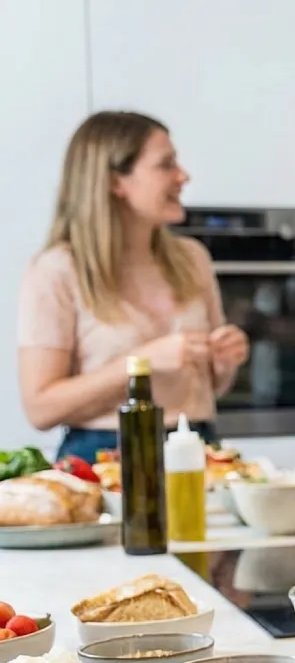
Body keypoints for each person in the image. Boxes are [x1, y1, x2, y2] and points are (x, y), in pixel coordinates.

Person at [18, 112, 248, 463]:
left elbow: (210, 389)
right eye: (165, 164)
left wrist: (224, 362)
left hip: (198, 447)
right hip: (103, 457)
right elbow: (40, 407)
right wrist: (141, 363)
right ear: (115, 182)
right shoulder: (57, 270)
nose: (183, 176)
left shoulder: (192, 258)